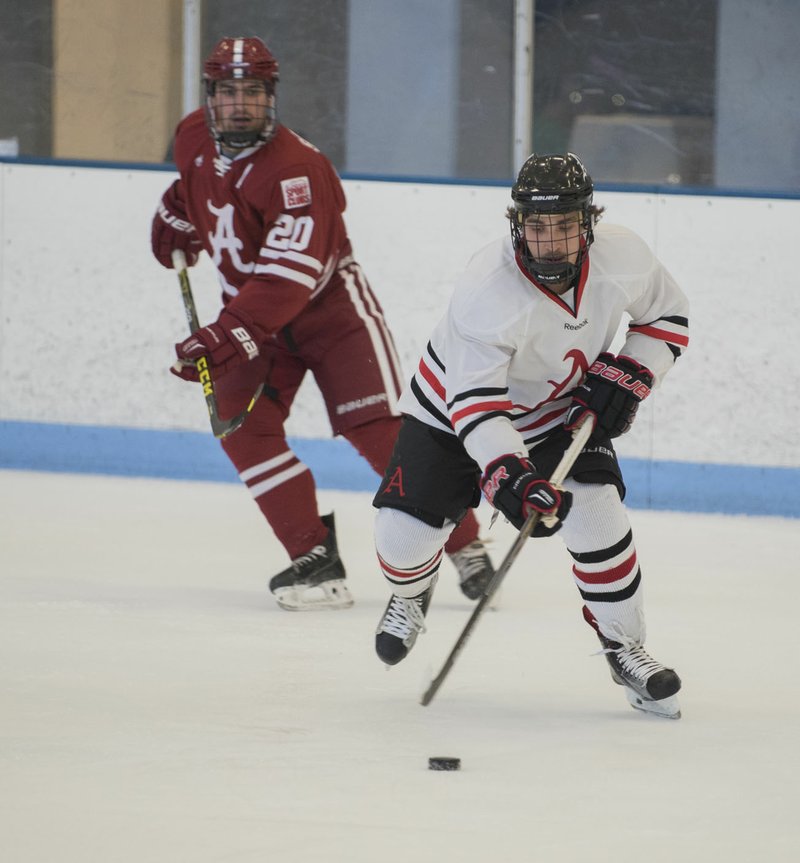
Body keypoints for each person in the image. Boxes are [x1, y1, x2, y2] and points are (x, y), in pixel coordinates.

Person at [151, 36, 494, 611]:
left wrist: (223, 333)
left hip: (330, 314)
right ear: (210, 96)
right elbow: (197, 185)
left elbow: (289, 279)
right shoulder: (191, 136)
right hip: (252, 317)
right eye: (228, 91)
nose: (240, 104)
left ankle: (465, 546)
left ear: (271, 97)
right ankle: (315, 557)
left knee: (378, 432)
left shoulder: (298, 171)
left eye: (253, 92)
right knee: (238, 424)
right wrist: (176, 213)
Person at [372, 152, 689, 719]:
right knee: (401, 546)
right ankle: (411, 589)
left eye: (565, 226)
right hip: (449, 415)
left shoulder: (625, 256)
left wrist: (634, 372)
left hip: (556, 414)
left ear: (589, 221)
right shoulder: (486, 288)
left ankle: (624, 646)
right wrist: (508, 476)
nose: (550, 242)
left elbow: (667, 316)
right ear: (517, 224)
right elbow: (475, 403)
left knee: (599, 517)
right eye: (537, 227)